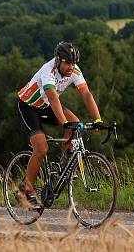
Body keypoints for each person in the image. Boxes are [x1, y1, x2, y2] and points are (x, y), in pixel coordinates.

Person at [16, 41, 103, 210]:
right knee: (41, 149)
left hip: (46, 105)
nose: (71, 67)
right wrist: (63, 122)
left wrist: (98, 119)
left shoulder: (74, 70)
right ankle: (26, 191)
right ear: (58, 60)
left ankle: (66, 164)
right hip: (29, 107)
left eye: (74, 63)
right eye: (68, 63)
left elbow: (85, 93)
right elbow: (53, 97)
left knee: (75, 124)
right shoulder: (47, 71)